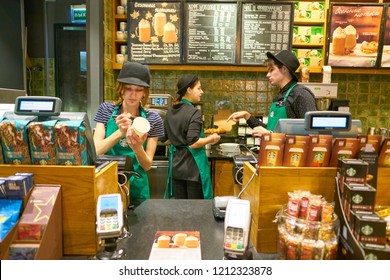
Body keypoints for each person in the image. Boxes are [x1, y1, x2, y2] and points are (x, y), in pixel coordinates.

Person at [93, 61, 164, 203]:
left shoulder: (152, 119)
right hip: (107, 183)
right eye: (128, 88)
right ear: (121, 89)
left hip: (137, 186)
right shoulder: (106, 110)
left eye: (138, 89)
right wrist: (120, 132)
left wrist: (137, 148)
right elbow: (96, 150)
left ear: (144, 92)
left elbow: (147, 165)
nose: (133, 94)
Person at [228, 50, 317, 136]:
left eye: (271, 70)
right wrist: (247, 116)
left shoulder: (301, 94)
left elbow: (313, 133)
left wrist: (271, 135)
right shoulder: (281, 95)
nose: (267, 75)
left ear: (284, 69)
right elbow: (270, 130)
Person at [161, 74, 220, 199]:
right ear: (189, 90)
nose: (201, 92)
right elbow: (193, 143)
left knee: (181, 208)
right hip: (193, 168)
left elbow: (165, 138)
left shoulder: (170, 111)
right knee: (196, 208)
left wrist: (178, 140)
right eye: (199, 88)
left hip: (176, 167)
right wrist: (212, 138)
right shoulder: (194, 112)